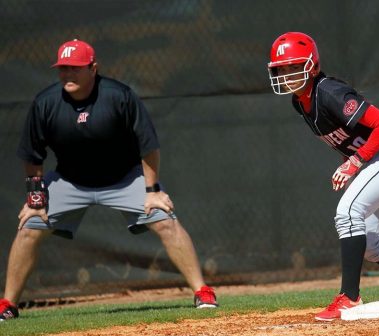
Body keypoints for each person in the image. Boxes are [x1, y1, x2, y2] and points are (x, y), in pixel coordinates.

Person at [0, 39, 218, 321]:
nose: (67, 74)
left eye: (75, 68)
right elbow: (32, 155)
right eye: (63, 68)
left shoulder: (119, 96)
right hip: (69, 181)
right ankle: (8, 304)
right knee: (29, 227)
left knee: (164, 220)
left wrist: (151, 191)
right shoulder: (46, 102)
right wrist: (36, 199)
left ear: (93, 68)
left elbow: (148, 145)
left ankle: (202, 291)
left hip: (123, 178)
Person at [267, 32, 379, 321]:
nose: (287, 75)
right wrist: (353, 159)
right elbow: (347, 140)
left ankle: (349, 298)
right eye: (282, 69)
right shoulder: (300, 102)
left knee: (349, 212)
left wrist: (355, 162)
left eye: (293, 67)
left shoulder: (329, 93)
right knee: (370, 240)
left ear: (311, 66)